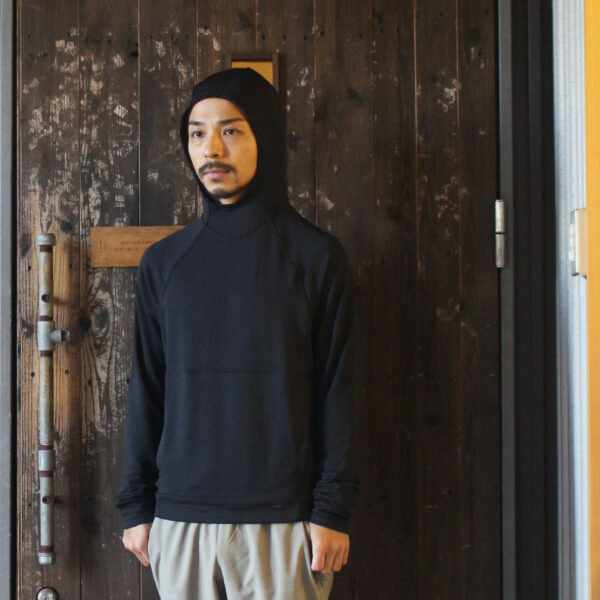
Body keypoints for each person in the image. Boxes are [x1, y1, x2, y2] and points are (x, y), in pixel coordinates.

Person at [115, 67, 361, 599]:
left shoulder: (316, 258)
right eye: (196, 133)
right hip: (180, 519)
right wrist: (136, 506)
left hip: (286, 521)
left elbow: (339, 391)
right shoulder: (164, 264)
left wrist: (332, 509)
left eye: (230, 130)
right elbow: (146, 389)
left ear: (263, 136)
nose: (210, 149)